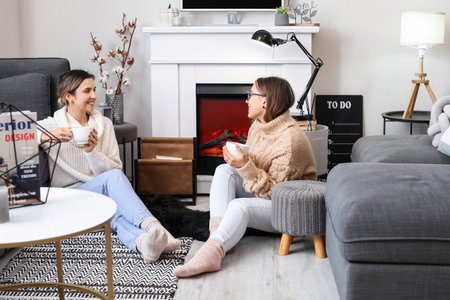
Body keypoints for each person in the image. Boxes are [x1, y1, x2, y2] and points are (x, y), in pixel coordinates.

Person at [174, 76, 317, 277]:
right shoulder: (259, 125)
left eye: (251, 95)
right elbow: (257, 166)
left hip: (289, 207)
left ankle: (213, 253)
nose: (247, 100)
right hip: (267, 193)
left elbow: (276, 194)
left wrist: (245, 165)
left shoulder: (291, 141)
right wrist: (240, 162)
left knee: (239, 206)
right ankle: (217, 237)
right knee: (223, 170)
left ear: (265, 101)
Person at [38, 70, 180, 263]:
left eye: (94, 90)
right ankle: (157, 229)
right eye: (87, 91)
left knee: (117, 215)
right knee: (113, 180)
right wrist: (45, 136)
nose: (94, 96)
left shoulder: (104, 123)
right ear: (68, 96)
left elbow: (115, 167)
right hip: (69, 196)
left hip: (99, 193)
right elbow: (10, 135)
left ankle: (144, 243)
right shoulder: (53, 124)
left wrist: (91, 153)